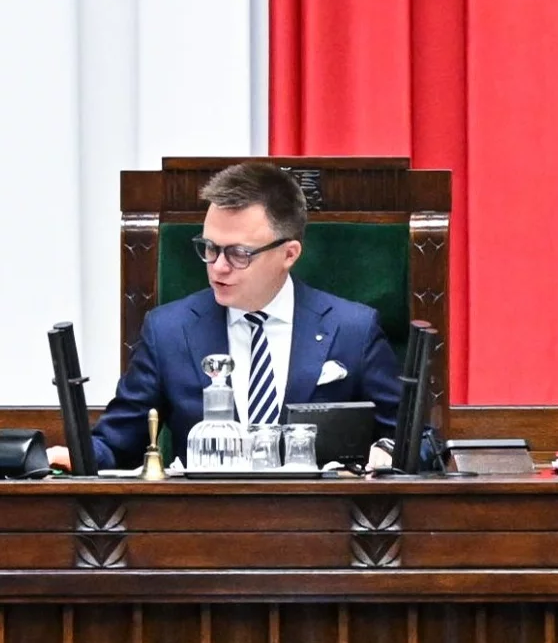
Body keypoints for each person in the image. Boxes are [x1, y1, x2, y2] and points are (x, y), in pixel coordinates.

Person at [56, 161, 402, 471]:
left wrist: (386, 453)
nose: (218, 267)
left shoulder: (352, 329)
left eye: (239, 253)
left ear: (289, 254)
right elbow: (119, 444)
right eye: (209, 248)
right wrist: (68, 456)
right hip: (202, 529)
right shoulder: (169, 331)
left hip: (321, 525)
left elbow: (411, 440)